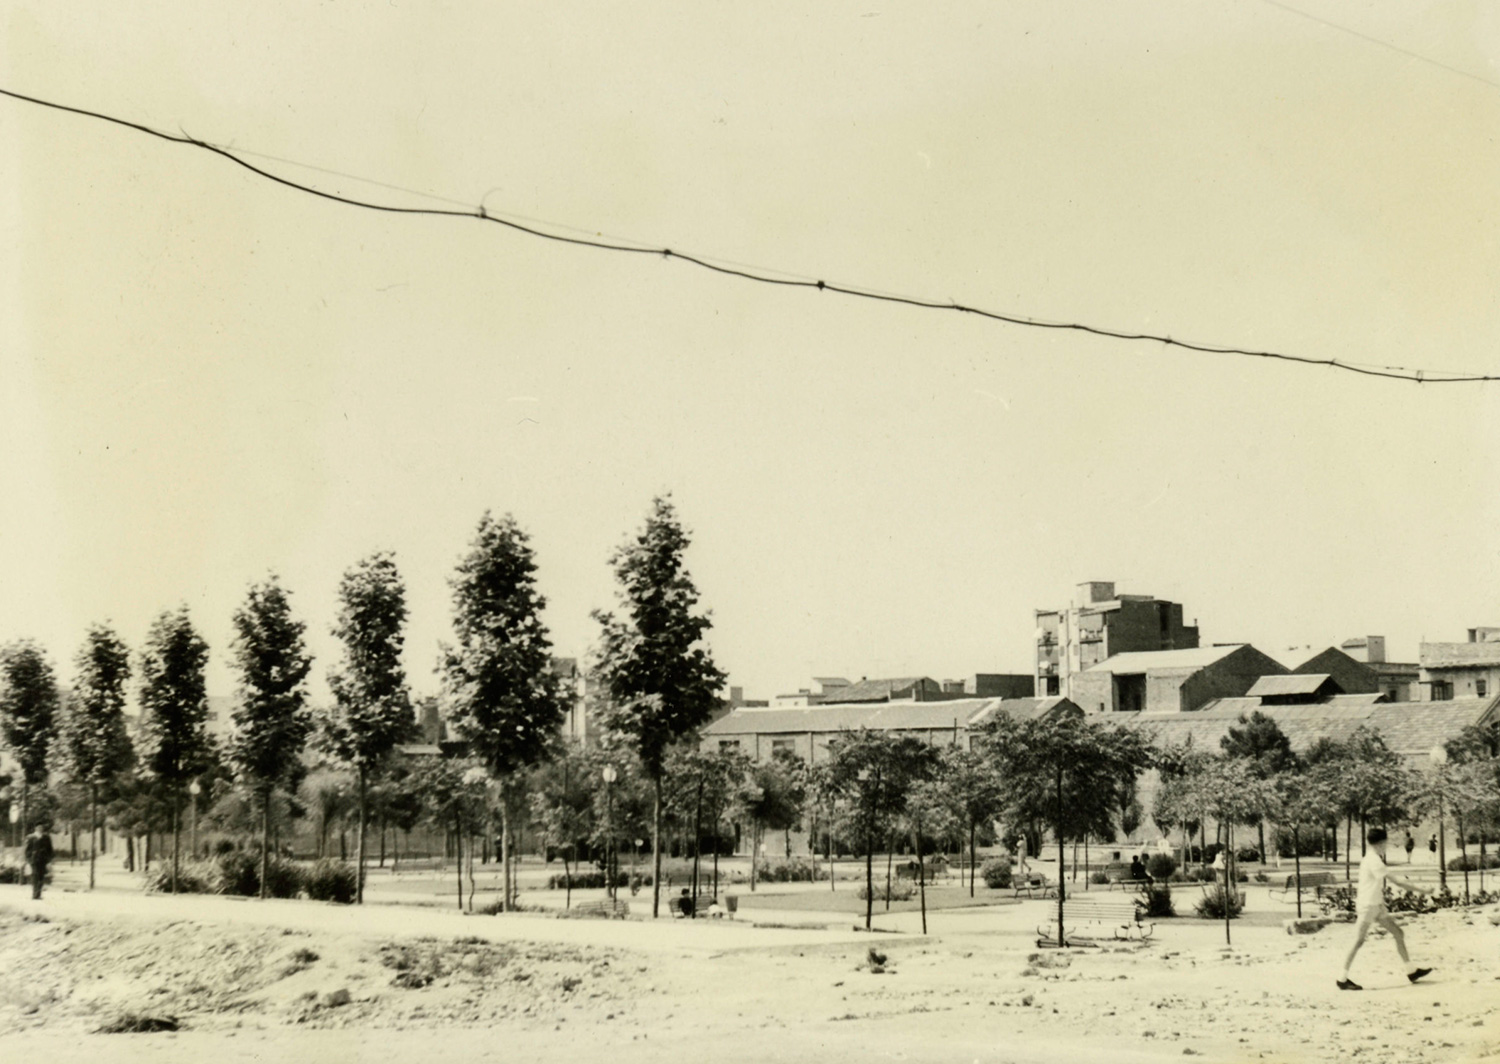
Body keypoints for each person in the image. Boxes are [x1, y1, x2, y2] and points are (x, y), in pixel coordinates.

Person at [1338, 828, 1432, 990]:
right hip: (1368, 906)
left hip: (1376, 905)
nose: (1386, 846)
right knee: (1358, 940)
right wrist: (1424, 890)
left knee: (1398, 933)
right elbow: (1398, 882)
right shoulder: (1374, 861)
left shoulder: (1370, 858)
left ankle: (1411, 971)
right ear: (1381, 843)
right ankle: (1342, 978)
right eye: (1385, 843)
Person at [23, 824, 53, 901]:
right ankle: (35, 894)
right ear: (35, 828)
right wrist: (28, 859)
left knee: (41, 876)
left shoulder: (46, 837)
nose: (40, 828)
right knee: (35, 876)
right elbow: (27, 850)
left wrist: (49, 859)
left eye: (41, 827)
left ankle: (38, 894)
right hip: (34, 859)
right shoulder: (30, 837)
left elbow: (50, 849)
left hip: (43, 859)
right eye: (38, 827)